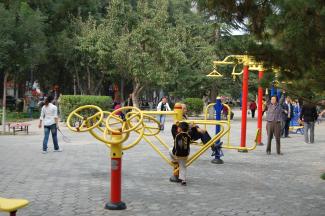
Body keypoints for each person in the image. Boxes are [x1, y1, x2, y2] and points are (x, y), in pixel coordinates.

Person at [169, 122, 191, 186]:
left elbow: (172, 130)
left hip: (176, 155)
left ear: (179, 129)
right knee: (183, 167)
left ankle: (174, 160)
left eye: (178, 127)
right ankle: (183, 180)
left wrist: (174, 124)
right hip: (185, 155)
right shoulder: (189, 135)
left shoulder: (176, 135)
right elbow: (190, 131)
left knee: (169, 150)